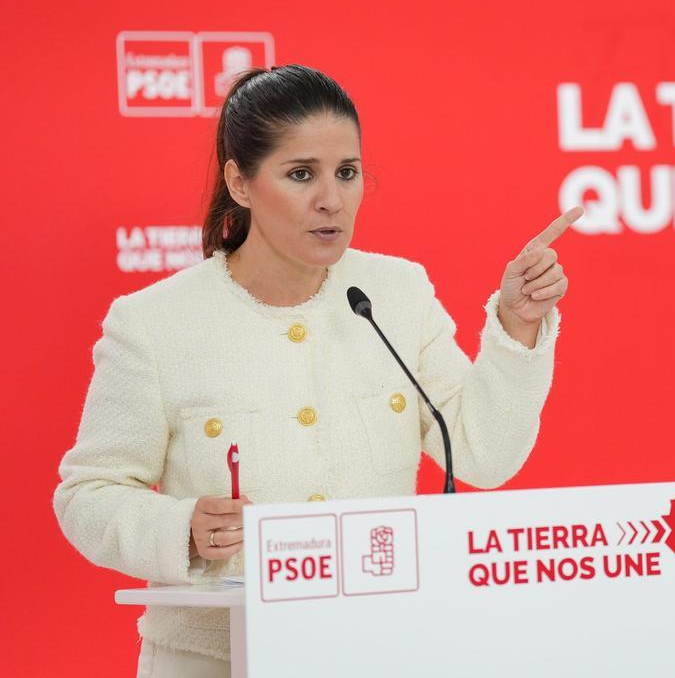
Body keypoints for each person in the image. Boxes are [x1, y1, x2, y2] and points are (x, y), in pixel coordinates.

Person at [52, 64, 582, 677]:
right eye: (301, 174)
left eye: (347, 173)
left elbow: (484, 454)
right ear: (240, 183)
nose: (332, 198)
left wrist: (516, 324)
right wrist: (179, 527)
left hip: (378, 653)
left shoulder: (397, 292)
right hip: (214, 661)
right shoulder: (155, 322)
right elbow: (86, 494)